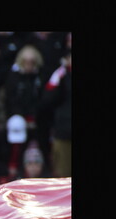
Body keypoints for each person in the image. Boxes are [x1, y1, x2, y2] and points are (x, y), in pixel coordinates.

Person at [39, 46, 71, 178]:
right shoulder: (60, 76)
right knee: (63, 175)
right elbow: (47, 100)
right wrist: (59, 76)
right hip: (63, 131)